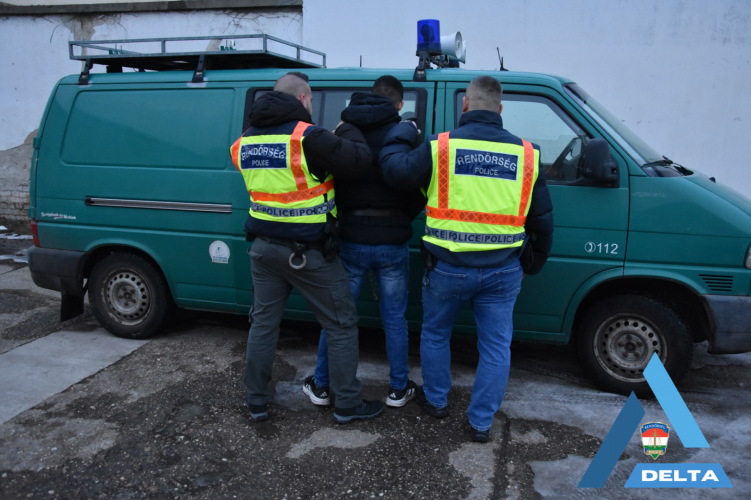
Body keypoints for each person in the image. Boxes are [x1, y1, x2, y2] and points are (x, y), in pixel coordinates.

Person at [379, 75, 554, 442]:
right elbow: (542, 220)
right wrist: (533, 265)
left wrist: (399, 133)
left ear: (465, 104)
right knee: (495, 347)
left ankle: (437, 401)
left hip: (447, 269)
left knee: (436, 334)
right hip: (504, 270)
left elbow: (394, 173)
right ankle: (481, 423)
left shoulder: (440, 146)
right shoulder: (528, 154)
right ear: (500, 109)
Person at [230, 73, 383, 423]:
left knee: (263, 326)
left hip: (263, 250)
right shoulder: (308, 136)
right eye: (311, 100)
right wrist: (346, 128)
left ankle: (256, 402)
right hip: (307, 253)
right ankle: (348, 403)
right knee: (341, 324)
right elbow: (358, 162)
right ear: (302, 99)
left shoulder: (244, 142)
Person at [304, 76, 425, 408]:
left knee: (338, 318)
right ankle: (398, 389)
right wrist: (399, 217)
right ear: (398, 105)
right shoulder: (404, 135)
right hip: (393, 241)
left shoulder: (343, 133)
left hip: (352, 239)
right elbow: (419, 188)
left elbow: (329, 184)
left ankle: (321, 385)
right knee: (395, 320)